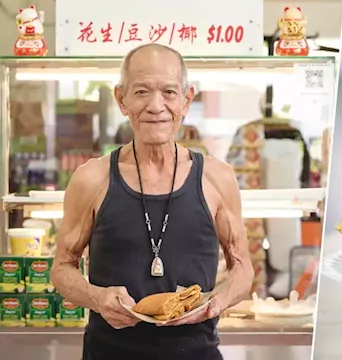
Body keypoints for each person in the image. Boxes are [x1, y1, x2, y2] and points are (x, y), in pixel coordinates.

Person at [51, 43, 253, 360]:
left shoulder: (217, 178)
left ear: (187, 100)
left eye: (169, 93)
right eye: (142, 92)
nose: (156, 106)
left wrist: (215, 302)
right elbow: (62, 268)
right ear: (122, 99)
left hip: (196, 352)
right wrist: (96, 297)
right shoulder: (91, 178)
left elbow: (243, 268)